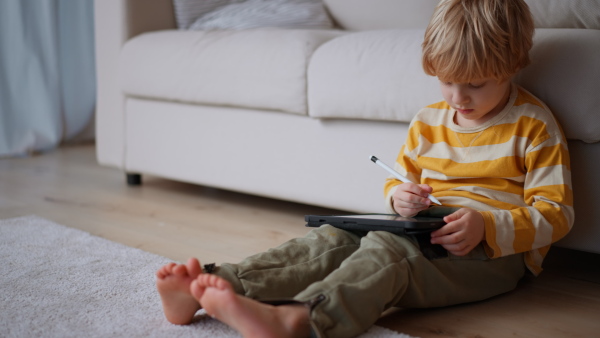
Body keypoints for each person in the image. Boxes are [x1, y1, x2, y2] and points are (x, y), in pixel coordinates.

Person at [155, 0, 574, 337]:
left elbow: (557, 214)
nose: (457, 98)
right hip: (421, 227)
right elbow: (400, 177)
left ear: (514, 63)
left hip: (490, 253)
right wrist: (398, 196)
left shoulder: (533, 125)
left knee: (389, 253)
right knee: (334, 238)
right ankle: (216, 285)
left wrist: (487, 227)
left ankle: (302, 320)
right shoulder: (428, 121)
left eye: (476, 84)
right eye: (446, 81)